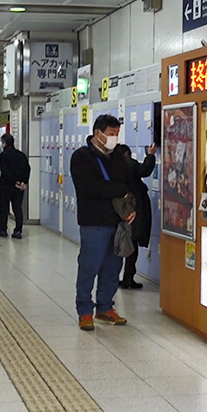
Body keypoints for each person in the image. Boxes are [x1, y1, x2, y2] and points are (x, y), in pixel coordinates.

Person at [70, 114, 135, 331]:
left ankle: (105, 307)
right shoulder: (82, 157)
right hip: (94, 222)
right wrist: (120, 190)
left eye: (117, 134)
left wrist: (130, 207)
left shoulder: (118, 157)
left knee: (112, 267)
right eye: (110, 134)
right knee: (89, 266)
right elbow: (91, 187)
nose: (114, 138)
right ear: (97, 133)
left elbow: (128, 184)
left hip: (117, 221)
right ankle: (85, 310)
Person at [115, 143, 156, 289]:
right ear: (126, 154)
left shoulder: (112, 165)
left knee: (122, 242)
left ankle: (119, 277)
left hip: (120, 208)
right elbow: (144, 170)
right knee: (132, 244)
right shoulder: (127, 163)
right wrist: (150, 155)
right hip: (134, 208)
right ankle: (128, 278)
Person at [0, 134, 31, 239]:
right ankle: (18, 231)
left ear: (4, 143)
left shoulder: (3, 155)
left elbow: (5, 171)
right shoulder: (21, 155)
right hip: (19, 188)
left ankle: (2, 229)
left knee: (4, 208)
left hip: (7, 186)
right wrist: (23, 182)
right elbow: (27, 169)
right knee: (17, 208)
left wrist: (14, 182)